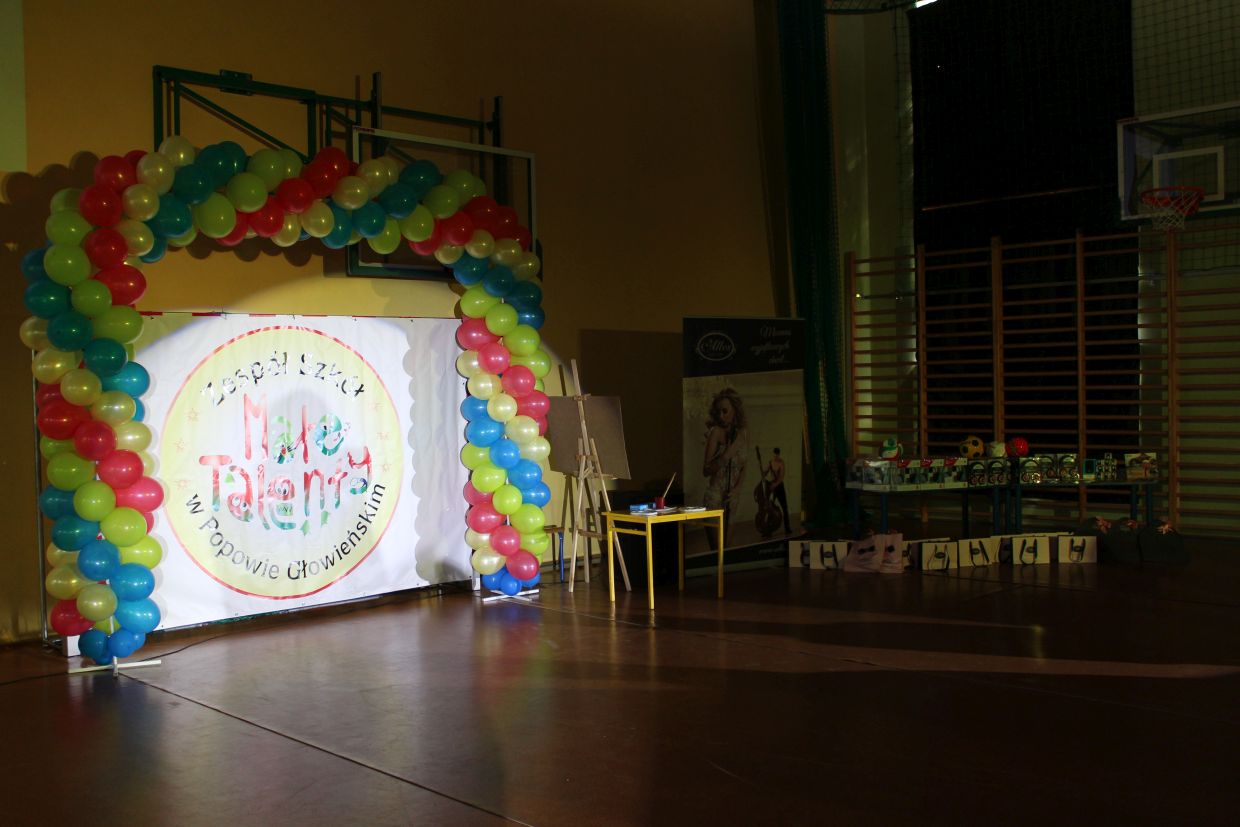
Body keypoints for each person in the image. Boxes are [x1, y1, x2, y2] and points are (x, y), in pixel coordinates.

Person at [702, 388, 747, 544]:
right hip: (714, 497)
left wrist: (737, 489)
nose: (721, 416)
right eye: (718, 412)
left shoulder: (743, 433)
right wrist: (727, 454)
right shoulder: (715, 432)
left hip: (732, 498)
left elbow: (744, 465)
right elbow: (705, 470)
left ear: (735, 410)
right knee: (717, 548)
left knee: (727, 546)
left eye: (725, 411)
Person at [764, 447, 791, 534]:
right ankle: (768, 530)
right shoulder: (770, 462)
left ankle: (787, 528)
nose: (775, 456)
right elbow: (765, 472)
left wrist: (774, 485)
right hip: (772, 486)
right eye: (774, 455)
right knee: (769, 508)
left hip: (779, 487)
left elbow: (781, 477)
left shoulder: (781, 463)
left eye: (777, 455)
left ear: (779, 454)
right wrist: (763, 471)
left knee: (784, 507)